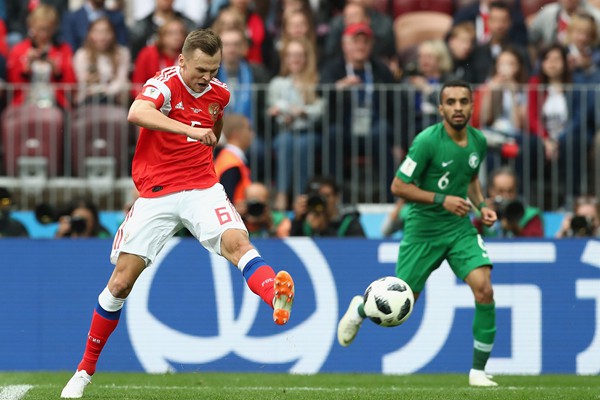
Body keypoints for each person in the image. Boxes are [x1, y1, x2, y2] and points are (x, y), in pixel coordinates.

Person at [60, 29, 295, 399]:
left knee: (238, 242)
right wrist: (190, 130)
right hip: (157, 192)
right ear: (182, 60)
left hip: (201, 186)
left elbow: (215, 124)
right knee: (120, 284)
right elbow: (137, 112)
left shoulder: (220, 93)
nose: (207, 77)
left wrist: (207, 136)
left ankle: (274, 297)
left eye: (214, 70)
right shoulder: (164, 84)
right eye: (201, 69)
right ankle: (84, 371)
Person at [337, 81, 499, 387]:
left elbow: (471, 179)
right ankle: (360, 309)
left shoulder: (478, 140)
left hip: (459, 229)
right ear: (441, 109)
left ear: (472, 105)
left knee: (485, 289)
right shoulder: (426, 141)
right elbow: (398, 186)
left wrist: (482, 206)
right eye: (450, 102)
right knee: (403, 305)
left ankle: (478, 372)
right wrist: (442, 199)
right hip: (423, 231)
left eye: (463, 101)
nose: (458, 107)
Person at [474, 166, 544, 237]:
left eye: (510, 191)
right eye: (500, 191)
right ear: (490, 191)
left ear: (516, 191)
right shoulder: (483, 214)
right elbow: (471, 237)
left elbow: (535, 242)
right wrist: (481, 218)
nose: (506, 196)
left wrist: (515, 229)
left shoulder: (530, 216)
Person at [290, 176, 366, 237]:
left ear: (337, 198)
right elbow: (290, 247)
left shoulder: (348, 222)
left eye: (326, 196)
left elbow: (359, 248)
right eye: (318, 196)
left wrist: (323, 229)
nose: (322, 201)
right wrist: (297, 219)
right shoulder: (305, 223)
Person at [214, 113, 254, 205]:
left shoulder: (229, 158)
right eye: (249, 129)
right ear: (236, 133)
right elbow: (228, 200)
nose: (252, 134)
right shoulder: (231, 163)